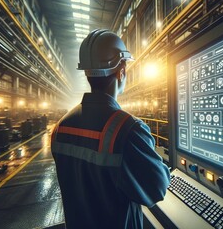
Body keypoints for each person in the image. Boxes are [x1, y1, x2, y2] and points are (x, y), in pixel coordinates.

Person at [50, 29, 170, 228]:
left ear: (87, 72)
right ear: (121, 70)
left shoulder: (60, 127)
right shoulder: (127, 129)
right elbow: (157, 188)